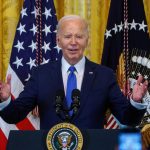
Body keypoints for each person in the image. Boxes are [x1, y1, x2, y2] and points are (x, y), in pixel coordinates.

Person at [0, 15, 148, 129]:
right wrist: (6, 100)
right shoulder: (41, 74)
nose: (73, 42)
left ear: (87, 40)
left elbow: (128, 118)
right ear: (58, 41)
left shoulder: (105, 76)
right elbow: (14, 114)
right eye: (67, 36)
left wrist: (136, 101)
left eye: (79, 36)